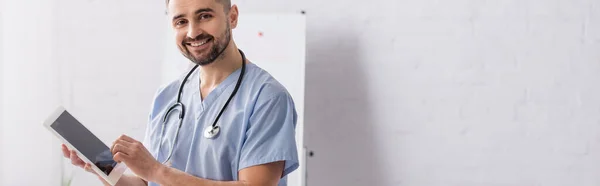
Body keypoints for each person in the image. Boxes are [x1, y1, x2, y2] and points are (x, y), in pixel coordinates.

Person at [60, 0, 299, 185]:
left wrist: (156, 170)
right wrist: (100, 168)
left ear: (232, 16)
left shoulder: (267, 98)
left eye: (204, 16)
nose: (193, 32)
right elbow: (147, 183)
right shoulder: (167, 97)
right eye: (180, 22)